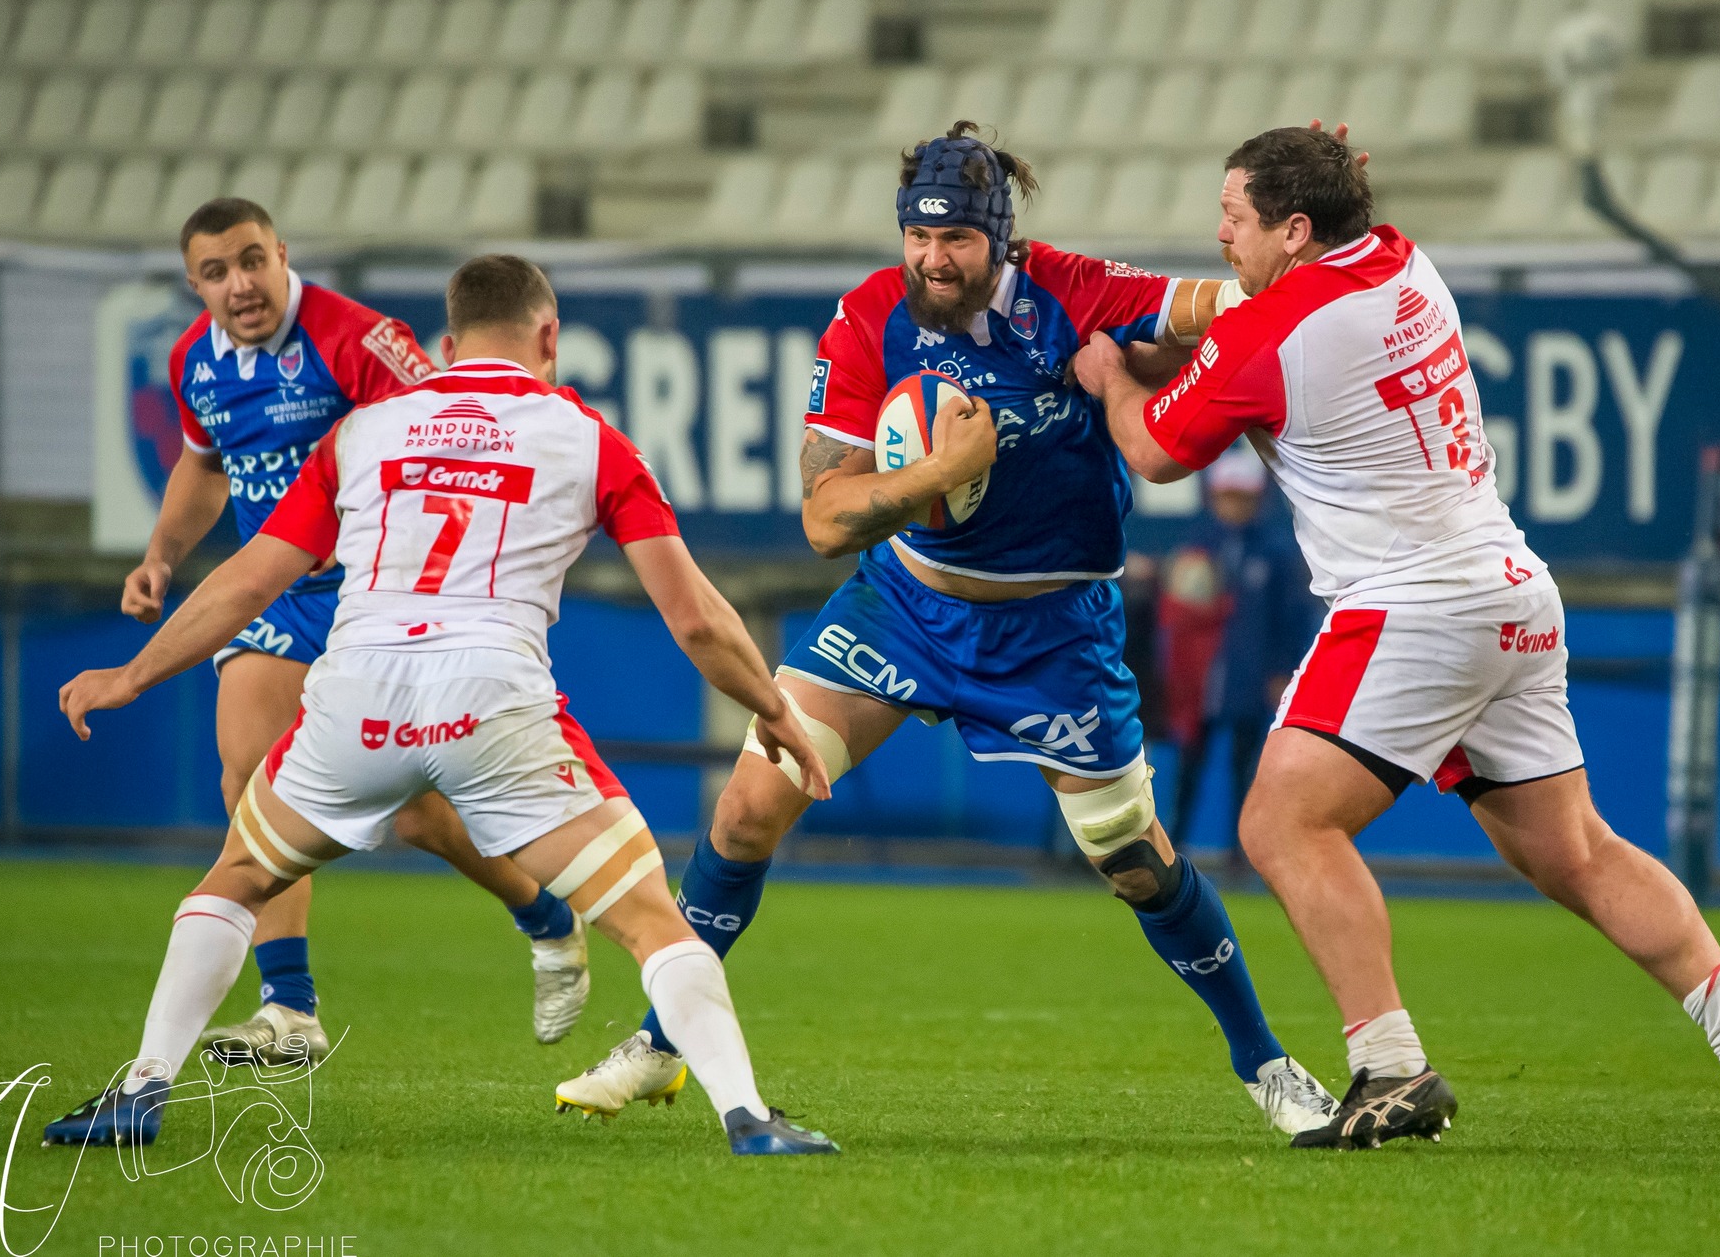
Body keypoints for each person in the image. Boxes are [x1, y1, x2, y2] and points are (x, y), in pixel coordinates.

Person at [554, 123, 1339, 1137]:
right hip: (905, 607)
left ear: (999, 236)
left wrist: (1305, 230)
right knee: (747, 805)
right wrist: (934, 474)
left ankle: (1263, 1063)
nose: (932, 259)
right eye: (917, 238)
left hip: (1053, 631)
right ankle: (665, 1041)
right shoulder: (869, 318)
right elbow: (824, 519)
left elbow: (1227, 301)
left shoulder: (1071, 290)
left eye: (956, 239)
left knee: (1130, 859)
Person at [1074, 124, 1720, 1151]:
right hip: (1511, 590)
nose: (1217, 234)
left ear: (1294, 230)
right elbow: (1251, 359)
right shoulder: (1401, 259)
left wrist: (1108, 375)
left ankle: (1389, 1067)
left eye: (1234, 217)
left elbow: (1155, 450)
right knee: (1574, 849)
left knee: (1282, 824)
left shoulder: (1270, 333)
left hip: (1408, 604)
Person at [45, 255, 840, 1156]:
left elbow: (242, 584)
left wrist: (133, 674)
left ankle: (142, 1092)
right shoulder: (587, 438)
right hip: (491, 703)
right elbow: (696, 620)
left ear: (447, 346)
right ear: (550, 339)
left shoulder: (361, 434)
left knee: (237, 876)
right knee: (650, 915)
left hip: (355, 702)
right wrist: (773, 709)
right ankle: (747, 1116)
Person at [129, 199, 587, 1060]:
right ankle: (291, 1007)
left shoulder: (358, 339)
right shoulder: (196, 362)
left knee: (419, 814)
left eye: (252, 260)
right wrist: (161, 554)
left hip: (375, 594)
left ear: (283, 255)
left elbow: (453, 440)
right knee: (248, 773)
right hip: (276, 591)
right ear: (194, 285)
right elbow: (202, 462)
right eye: (216, 272)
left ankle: (542, 910)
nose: (241, 284)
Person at [1163, 444, 1319, 877]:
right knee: (1188, 767)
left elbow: (1292, 619)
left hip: (1249, 678)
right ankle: (1169, 849)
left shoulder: (1275, 552)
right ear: (1214, 496)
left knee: (1244, 770)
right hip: (1201, 679)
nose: (1234, 505)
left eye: (1243, 496)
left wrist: (1283, 672)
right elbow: (1177, 619)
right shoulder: (1199, 548)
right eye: (1227, 495)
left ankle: (1240, 854)